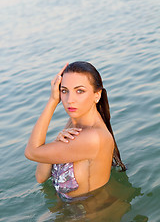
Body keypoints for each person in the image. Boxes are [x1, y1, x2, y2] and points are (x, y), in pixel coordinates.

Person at [25, 61, 126, 201]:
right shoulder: (74, 124)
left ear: (97, 95)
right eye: (64, 91)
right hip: (68, 211)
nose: (69, 100)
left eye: (80, 91)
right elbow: (41, 177)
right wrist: (56, 141)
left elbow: (31, 152)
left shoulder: (93, 137)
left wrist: (53, 101)